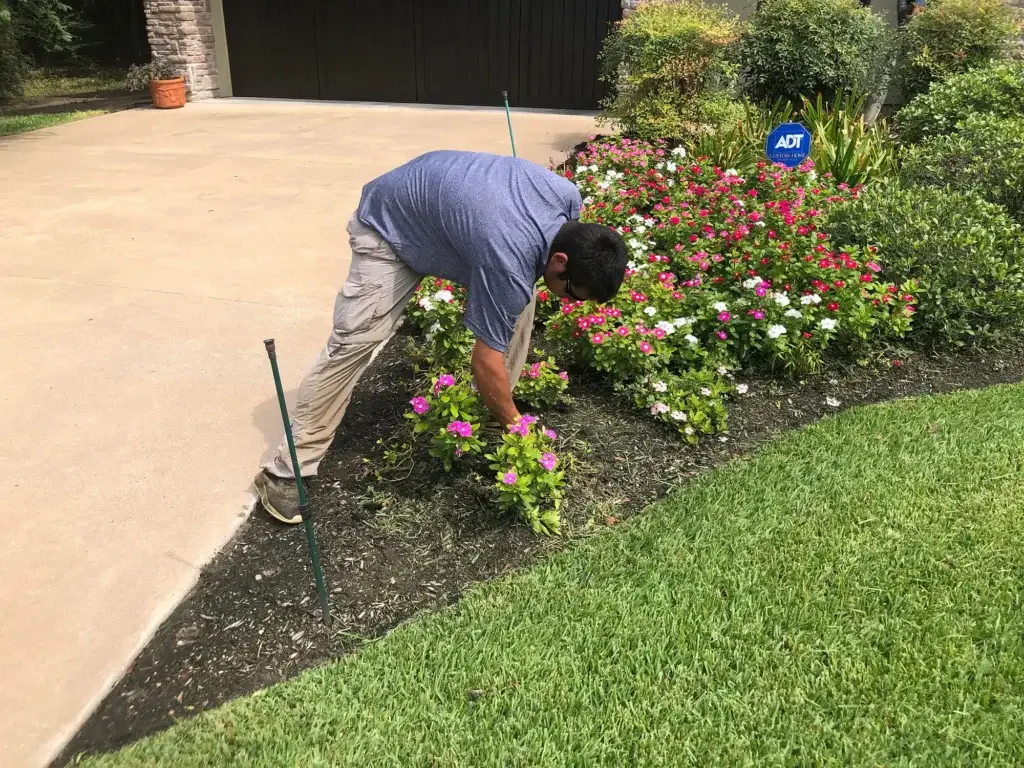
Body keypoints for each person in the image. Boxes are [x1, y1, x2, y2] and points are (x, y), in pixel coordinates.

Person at [255, 150, 628, 524]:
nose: (568, 303)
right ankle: (286, 470)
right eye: (574, 294)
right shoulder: (510, 257)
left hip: (445, 216)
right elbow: (484, 360)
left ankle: (496, 419)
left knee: (519, 298)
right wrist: (522, 429)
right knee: (356, 339)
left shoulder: (566, 197)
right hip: (390, 225)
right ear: (561, 261)